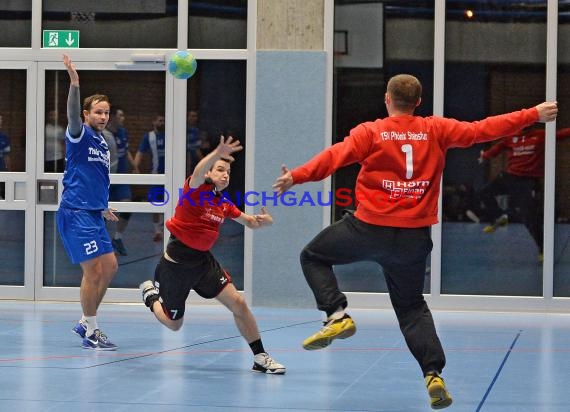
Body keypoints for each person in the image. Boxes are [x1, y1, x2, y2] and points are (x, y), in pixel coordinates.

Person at [272, 74, 558, 409]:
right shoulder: (436, 129)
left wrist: (297, 176)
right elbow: (484, 129)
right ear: (419, 102)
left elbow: (336, 156)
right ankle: (432, 373)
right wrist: (532, 114)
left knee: (313, 256)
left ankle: (336, 314)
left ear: (387, 99)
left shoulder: (371, 131)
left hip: (367, 228)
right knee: (411, 308)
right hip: (413, 237)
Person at [139, 135, 286, 374]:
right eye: (219, 169)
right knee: (174, 324)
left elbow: (249, 221)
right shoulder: (195, 190)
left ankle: (260, 357)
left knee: (238, 303)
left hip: (203, 264)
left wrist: (262, 222)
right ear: (209, 173)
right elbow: (197, 171)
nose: (225, 174)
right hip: (175, 266)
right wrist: (217, 152)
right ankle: (151, 297)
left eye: (228, 171)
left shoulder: (223, 203)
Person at [57, 54, 119, 351]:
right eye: (98, 112)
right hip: (75, 213)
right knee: (92, 271)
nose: (103, 117)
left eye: (106, 113)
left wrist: (103, 205)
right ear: (86, 114)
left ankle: (84, 320)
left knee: (110, 267)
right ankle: (92, 331)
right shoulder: (79, 135)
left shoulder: (103, 142)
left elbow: (96, 178)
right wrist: (74, 81)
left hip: (93, 212)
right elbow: (70, 116)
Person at [466, 126, 570, 260]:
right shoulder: (510, 137)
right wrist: (485, 156)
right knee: (484, 192)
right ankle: (499, 217)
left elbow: (560, 135)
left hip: (527, 181)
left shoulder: (540, 135)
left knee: (530, 218)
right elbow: (497, 148)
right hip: (510, 177)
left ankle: (543, 249)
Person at [104, 107, 135, 256]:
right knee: (101, 212)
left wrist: (134, 166)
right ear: (113, 117)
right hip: (106, 179)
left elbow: (126, 150)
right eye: (121, 115)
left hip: (122, 176)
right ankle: (102, 243)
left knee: (128, 206)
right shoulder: (103, 134)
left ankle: (117, 238)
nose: (123, 118)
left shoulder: (123, 132)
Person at [134, 115, 166, 241]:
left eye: (164, 120)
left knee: (170, 202)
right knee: (155, 203)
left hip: (170, 175)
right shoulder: (149, 137)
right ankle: (157, 230)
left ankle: (166, 227)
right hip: (155, 175)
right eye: (160, 120)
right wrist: (135, 167)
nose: (162, 122)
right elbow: (140, 153)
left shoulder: (171, 135)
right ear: (154, 122)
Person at [186, 109, 203, 176]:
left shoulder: (197, 130)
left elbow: (198, 147)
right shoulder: (183, 129)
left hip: (195, 161)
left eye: (195, 116)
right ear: (187, 117)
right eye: (191, 116)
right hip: (185, 159)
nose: (193, 118)